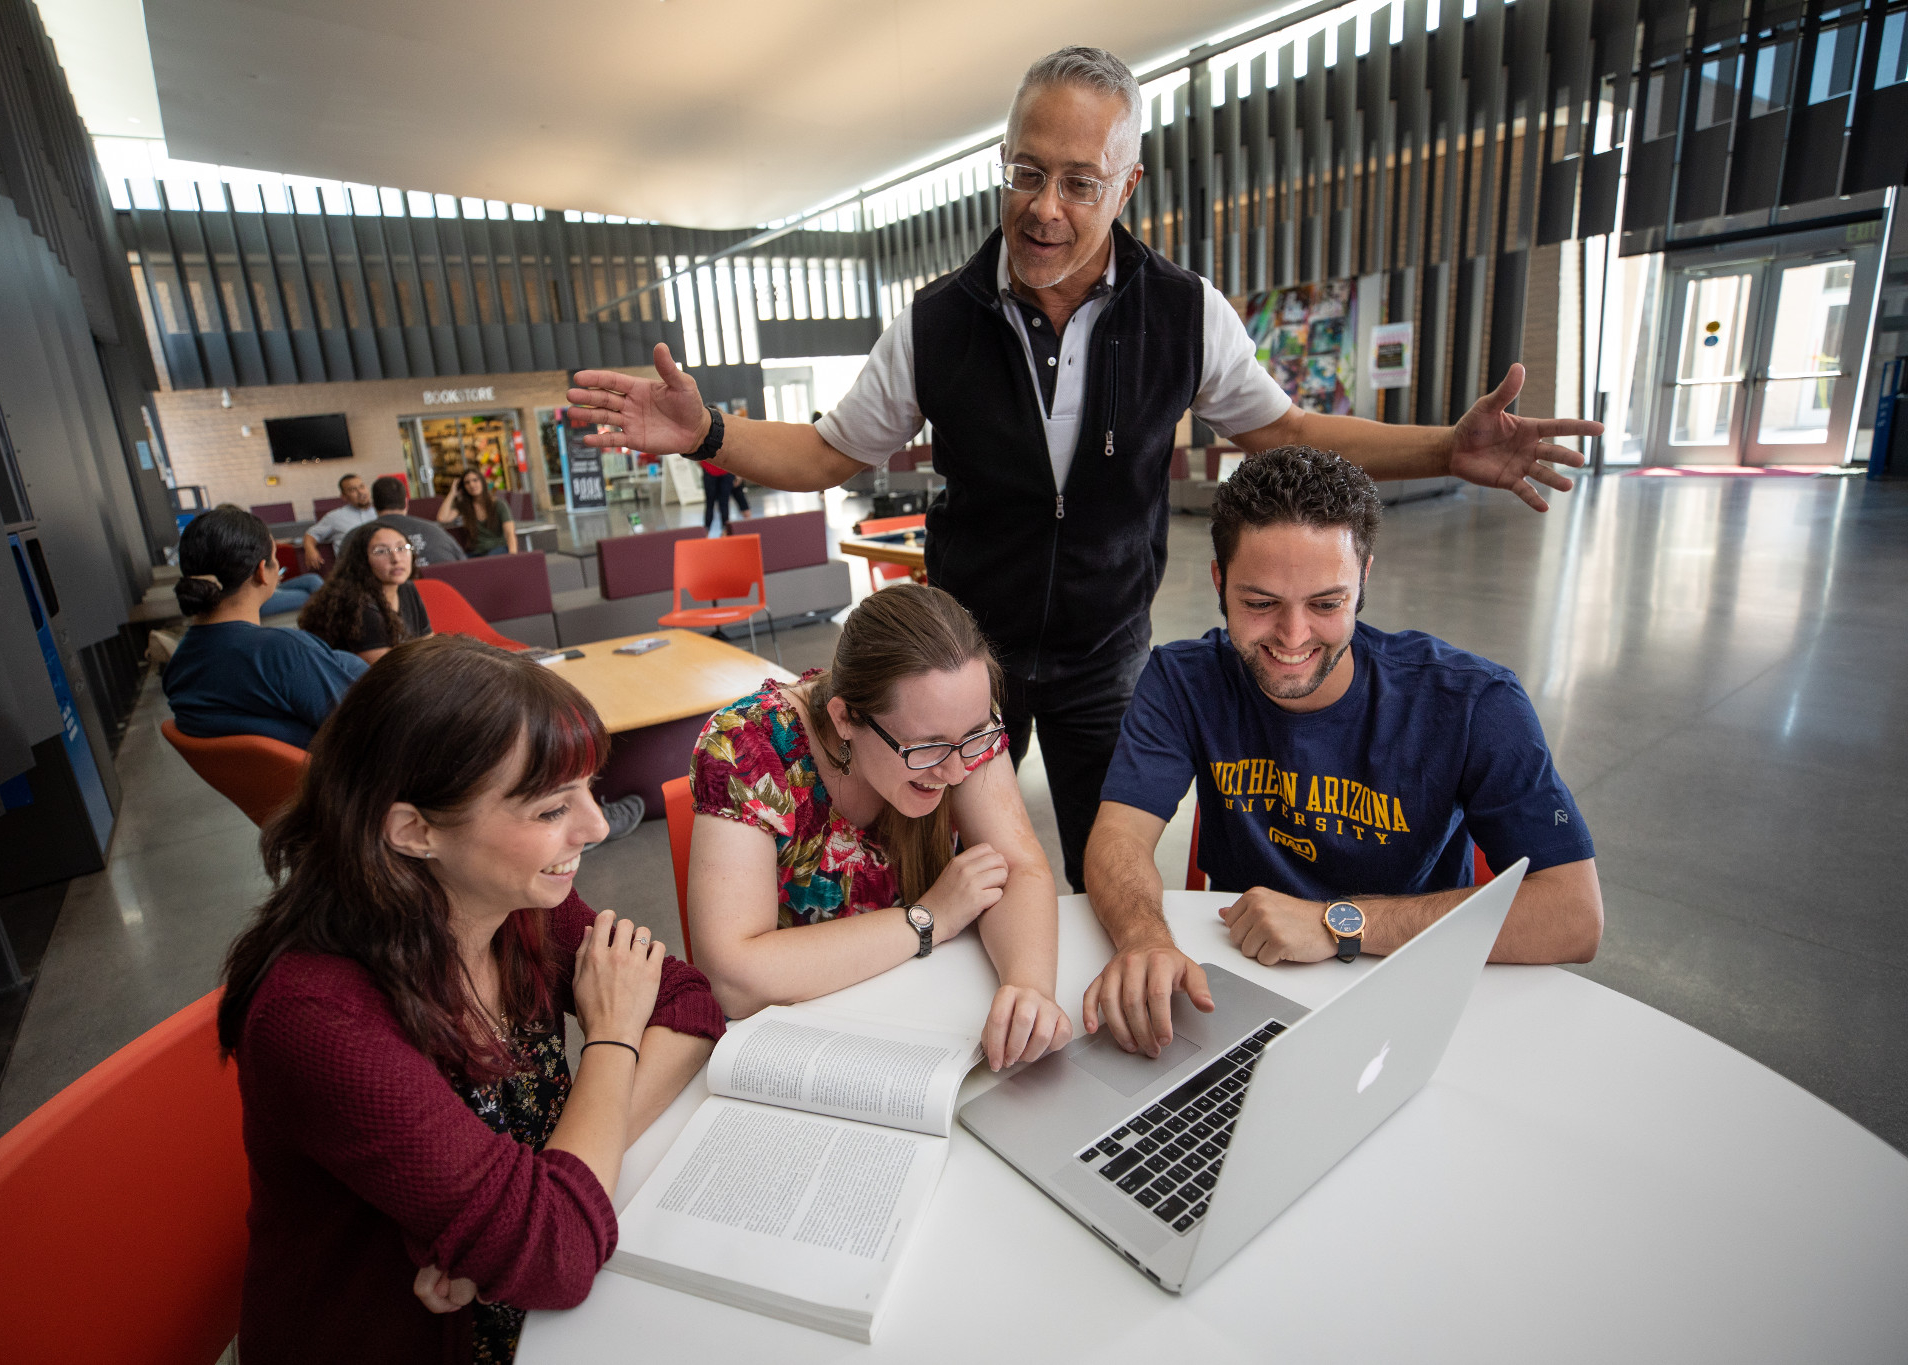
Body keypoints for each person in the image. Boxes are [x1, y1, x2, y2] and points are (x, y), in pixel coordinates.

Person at [566, 46, 1600, 897]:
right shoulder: (935, 322)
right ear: (1002, 162)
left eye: (1077, 181)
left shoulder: (1183, 312)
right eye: (1025, 172)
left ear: (1126, 184)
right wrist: (709, 435)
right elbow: (830, 451)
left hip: (1107, 653)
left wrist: (1442, 449)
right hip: (965, 658)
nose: (1044, 209)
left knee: (1106, 866)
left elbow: (1279, 432)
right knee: (940, 868)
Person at [218, 635, 722, 1364]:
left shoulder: (521, 904)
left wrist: (543, 1189)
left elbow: (687, 1003)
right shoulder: (316, 1016)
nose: (596, 824)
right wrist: (611, 1040)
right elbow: (555, 1257)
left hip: (515, 1302)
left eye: (589, 787)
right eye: (551, 809)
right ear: (414, 830)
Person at [1080, 447, 1604, 1057]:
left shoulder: (1473, 703)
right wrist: (1144, 938)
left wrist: (1338, 923)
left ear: (1364, 582)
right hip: (1240, 991)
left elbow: (1573, 914)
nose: (1293, 637)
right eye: (1259, 603)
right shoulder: (1182, 680)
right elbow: (1117, 836)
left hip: (1410, 992)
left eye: (1326, 604)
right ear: (1220, 581)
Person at [688, 583, 1070, 1070]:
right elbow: (732, 979)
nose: (955, 773)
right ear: (845, 717)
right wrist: (926, 920)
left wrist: (1028, 987)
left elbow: (1017, 866)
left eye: (974, 737)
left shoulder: (958, 725)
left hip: (915, 1013)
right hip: (799, 1049)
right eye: (925, 748)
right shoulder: (747, 746)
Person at [161, 506, 367, 749]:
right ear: (262, 571)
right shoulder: (283, 653)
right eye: (274, 555)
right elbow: (365, 730)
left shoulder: (178, 667)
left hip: (265, 782)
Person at [298, 523, 430, 664]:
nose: (396, 559)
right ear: (363, 560)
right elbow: (387, 671)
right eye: (381, 551)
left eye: (402, 548)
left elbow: (429, 644)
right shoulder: (358, 605)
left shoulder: (406, 589)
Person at [371, 474, 466, 564]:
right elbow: (463, 564)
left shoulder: (359, 537)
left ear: (373, 505)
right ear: (406, 503)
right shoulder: (436, 532)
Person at [300, 473, 378, 574]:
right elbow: (311, 534)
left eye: (362, 487)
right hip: (352, 571)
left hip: (380, 567)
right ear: (344, 497)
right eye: (353, 490)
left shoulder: (380, 512)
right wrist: (310, 549)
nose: (360, 492)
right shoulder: (335, 517)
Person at [439, 466, 519, 557]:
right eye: (467, 483)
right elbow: (442, 518)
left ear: (482, 481)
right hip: (476, 552)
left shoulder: (499, 504)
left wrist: (513, 557)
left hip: (498, 549)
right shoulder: (465, 506)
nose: (472, 485)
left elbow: (510, 534)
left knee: (489, 558)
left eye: (475, 480)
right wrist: (452, 493)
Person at [700, 460, 749, 534]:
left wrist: (738, 474)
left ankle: (725, 530)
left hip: (725, 471)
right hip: (710, 471)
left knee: (724, 502)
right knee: (710, 503)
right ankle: (706, 530)